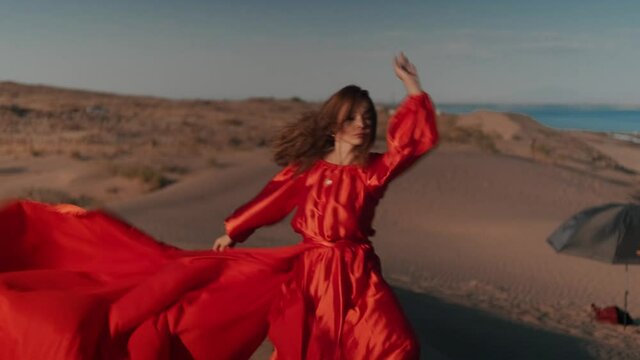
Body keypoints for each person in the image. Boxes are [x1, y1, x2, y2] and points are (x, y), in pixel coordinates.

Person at [0, 52, 438, 360]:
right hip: (312, 272)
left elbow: (410, 145)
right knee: (310, 347)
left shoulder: (374, 170)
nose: (362, 125)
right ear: (335, 123)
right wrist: (235, 231)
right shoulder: (306, 170)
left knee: (397, 346)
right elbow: (270, 200)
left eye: (367, 118)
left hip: (359, 271)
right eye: (353, 117)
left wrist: (412, 87)